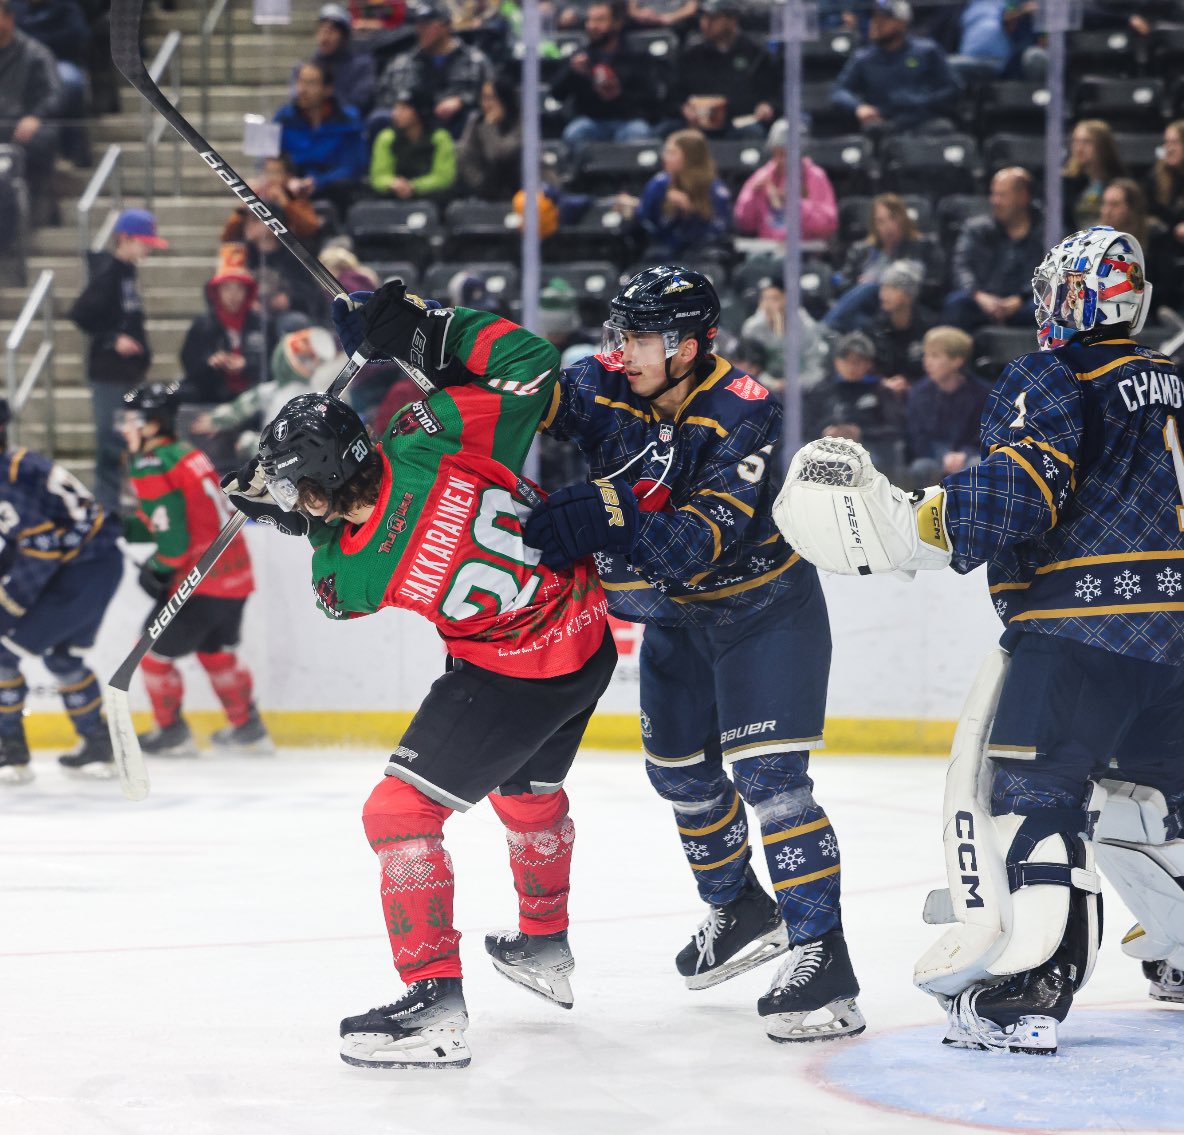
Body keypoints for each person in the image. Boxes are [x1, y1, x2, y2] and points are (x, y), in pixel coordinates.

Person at [773, 224, 1184, 1053]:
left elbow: (1022, 485)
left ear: (1074, 295)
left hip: (1079, 630)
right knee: (1159, 809)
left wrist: (912, 520)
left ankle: (1025, 987)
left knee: (1031, 801)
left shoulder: (1055, 372)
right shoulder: (1173, 381)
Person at [236, 283, 617, 1069]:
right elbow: (529, 365)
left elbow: (335, 594)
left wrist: (302, 526)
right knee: (525, 790)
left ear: (316, 484)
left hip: (510, 672)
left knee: (397, 813)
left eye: (292, 488)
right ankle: (544, 945)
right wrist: (428, 333)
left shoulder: (359, 564)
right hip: (586, 638)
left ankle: (434, 1001)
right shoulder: (425, 432)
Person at [509, 265, 867, 1044]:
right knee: (677, 773)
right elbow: (517, 392)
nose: (622, 350)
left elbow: (698, 541)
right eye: (621, 333)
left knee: (772, 783)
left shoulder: (744, 408)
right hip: (677, 622)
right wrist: (429, 343)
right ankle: (738, 907)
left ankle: (825, 963)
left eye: (639, 337)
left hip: (764, 611)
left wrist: (608, 511)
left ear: (688, 344)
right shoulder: (603, 383)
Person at [119, 383, 273, 757]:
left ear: (153, 425)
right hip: (235, 574)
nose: (125, 428)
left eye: (132, 420)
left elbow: (173, 537)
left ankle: (172, 733)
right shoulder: (187, 453)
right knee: (214, 650)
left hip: (198, 581)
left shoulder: (153, 462)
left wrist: (159, 568)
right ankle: (248, 730)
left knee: (151, 654)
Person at [0, 399, 121, 784]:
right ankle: (97, 745)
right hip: (95, 565)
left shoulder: (7, 477)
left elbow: (40, 550)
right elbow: (25, 542)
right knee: (62, 657)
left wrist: (10, 606)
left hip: (80, 572)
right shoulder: (18, 464)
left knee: (2, 653)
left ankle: (11, 753)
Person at [68, 206, 165, 514]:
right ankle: (106, 508)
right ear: (124, 239)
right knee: (112, 442)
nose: (148, 247)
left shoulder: (127, 273)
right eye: (143, 241)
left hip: (128, 376)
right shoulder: (109, 272)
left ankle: (126, 502)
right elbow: (80, 313)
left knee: (130, 439)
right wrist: (112, 339)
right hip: (110, 376)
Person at [191, 326, 344, 461]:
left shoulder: (302, 398)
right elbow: (247, 403)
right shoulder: (277, 389)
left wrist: (248, 443)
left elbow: (283, 446)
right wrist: (219, 420)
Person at [831, 0, 961, 135]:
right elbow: (840, 91)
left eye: (884, 19)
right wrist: (858, 107)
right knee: (872, 133)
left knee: (942, 128)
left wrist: (925, 101)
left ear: (902, 22)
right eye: (874, 18)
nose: (876, 24)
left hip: (923, 119)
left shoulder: (927, 51)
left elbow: (952, 87)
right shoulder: (864, 58)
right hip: (884, 121)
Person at [942, 166, 1044, 332]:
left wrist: (1020, 298)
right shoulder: (976, 230)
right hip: (982, 300)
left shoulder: (1046, 233)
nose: (994, 201)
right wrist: (977, 294)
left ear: (1023, 197)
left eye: (1002, 195)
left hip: (1025, 302)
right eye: (993, 194)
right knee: (956, 304)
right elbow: (961, 266)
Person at [549, 0, 658, 150]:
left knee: (639, 133)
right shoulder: (580, 56)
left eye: (600, 20)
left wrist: (618, 89)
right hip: (593, 121)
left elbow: (652, 96)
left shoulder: (637, 56)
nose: (592, 26)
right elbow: (556, 94)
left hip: (627, 121)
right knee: (574, 133)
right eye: (590, 20)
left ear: (617, 23)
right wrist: (572, 71)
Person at [375, 1, 493, 139]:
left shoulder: (474, 62)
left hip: (458, 134)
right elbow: (383, 98)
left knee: (471, 117)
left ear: (444, 25)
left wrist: (462, 101)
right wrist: (407, 108)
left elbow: (493, 100)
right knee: (379, 119)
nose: (420, 30)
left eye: (426, 24)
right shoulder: (402, 64)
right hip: (410, 136)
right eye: (417, 25)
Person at [824, 193, 939, 333]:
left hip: (909, 309)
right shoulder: (862, 250)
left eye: (892, 219)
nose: (888, 226)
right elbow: (844, 286)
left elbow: (935, 283)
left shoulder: (924, 246)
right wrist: (858, 284)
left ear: (903, 219)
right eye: (881, 221)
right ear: (874, 224)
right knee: (862, 302)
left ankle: (824, 330)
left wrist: (898, 289)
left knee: (871, 287)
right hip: (871, 311)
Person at [674, 0, 779, 140]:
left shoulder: (756, 52)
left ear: (732, 20)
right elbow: (677, 92)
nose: (706, 23)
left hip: (741, 120)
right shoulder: (692, 53)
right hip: (700, 123)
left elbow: (773, 91)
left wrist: (767, 105)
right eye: (703, 18)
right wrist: (684, 107)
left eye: (713, 18)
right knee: (671, 132)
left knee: (752, 132)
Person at [273, 59, 368, 215]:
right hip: (291, 191)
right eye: (300, 82)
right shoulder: (283, 119)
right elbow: (270, 161)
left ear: (328, 89)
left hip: (334, 193)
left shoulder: (348, 121)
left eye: (311, 83)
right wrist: (288, 180)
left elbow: (352, 167)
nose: (302, 90)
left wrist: (318, 182)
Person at [179, 243, 267, 409]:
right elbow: (189, 362)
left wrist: (246, 365)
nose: (233, 295)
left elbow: (269, 363)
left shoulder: (261, 323)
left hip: (252, 396)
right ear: (216, 291)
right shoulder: (202, 324)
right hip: (211, 395)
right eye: (227, 288)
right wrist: (210, 362)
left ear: (248, 292)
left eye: (239, 288)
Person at [900, 324, 988, 488]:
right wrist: (943, 456)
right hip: (932, 458)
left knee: (977, 464)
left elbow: (985, 435)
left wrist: (965, 454)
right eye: (926, 355)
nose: (927, 362)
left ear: (957, 361)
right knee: (922, 467)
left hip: (968, 456)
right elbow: (917, 437)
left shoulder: (982, 394)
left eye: (935, 356)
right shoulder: (918, 393)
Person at [803, 329, 902, 473]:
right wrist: (824, 433)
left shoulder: (881, 391)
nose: (851, 366)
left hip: (869, 449)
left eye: (858, 361)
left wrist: (861, 433)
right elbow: (805, 426)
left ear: (869, 364)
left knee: (870, 463)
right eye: (846, 360)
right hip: (824, 449)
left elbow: (894, 428)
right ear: (836, 362)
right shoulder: (820, 390)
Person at [0, 0, 62, 225]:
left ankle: (39, 204)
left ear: (9, 18)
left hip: (23, 128)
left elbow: (53, 94)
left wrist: (35, 116)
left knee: (40, 139)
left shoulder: (35, 54)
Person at [732, 119, 838, 244]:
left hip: (806, 252)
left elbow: (828, 225)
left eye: (786, 154)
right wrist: (752, 195)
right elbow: (744, 224)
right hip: (767, 251)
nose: (782, 160)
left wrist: (796, 204)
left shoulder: (816, 176)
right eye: (777, 153)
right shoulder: (762, 176)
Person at [635, 129, 731, 260]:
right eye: (666, 152)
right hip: (665, 249)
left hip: (702, 250)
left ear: (691, 157)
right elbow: (647, 221)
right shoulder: (659, 184)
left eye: (672, 153)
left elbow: (720, 230)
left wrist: (691, 213)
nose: (665, 157)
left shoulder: (714, 188)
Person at [368, 86, 456, 199]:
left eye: (404, 108)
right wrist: (392, 183)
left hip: (431, 198)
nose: (396, 113)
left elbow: (444, 177)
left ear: (420, 111)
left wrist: (414, 186)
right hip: (392, 197)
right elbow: (378, 176)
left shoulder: (440, 138)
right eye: (396, 108)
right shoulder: (386, 138)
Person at [291, 3, 376, 114]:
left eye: (332, 31)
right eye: (322, 30)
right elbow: (295, 98)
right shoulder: (307, 67)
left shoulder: (361, 65)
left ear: (344, 36)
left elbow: (361, 101)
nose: (325, 37)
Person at [868, 259, 935, 391]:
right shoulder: (874, 326)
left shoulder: (930, 326)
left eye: (892, 288)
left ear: (909, 295)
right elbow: (867, 367)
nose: (883, 294)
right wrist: (883, 383)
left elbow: (938, 370)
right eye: (883, 287)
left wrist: (912, 385)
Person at [455, 75, 521, 200]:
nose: (484, 104)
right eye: (483, 98)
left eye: (490, 98)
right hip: (484, 189)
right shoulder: (476, 122)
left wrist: (490, 127)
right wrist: (481, 185)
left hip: (518, 189)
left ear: (504, 98)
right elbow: (465, 158)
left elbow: (500, 155)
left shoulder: (521, 122)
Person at [1062, 119, 1124, 233]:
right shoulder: (1067, 183)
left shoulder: (1119, 181)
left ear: (1102, 146)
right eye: (1075, 142)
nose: (1079, 149)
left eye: (1086, 142)